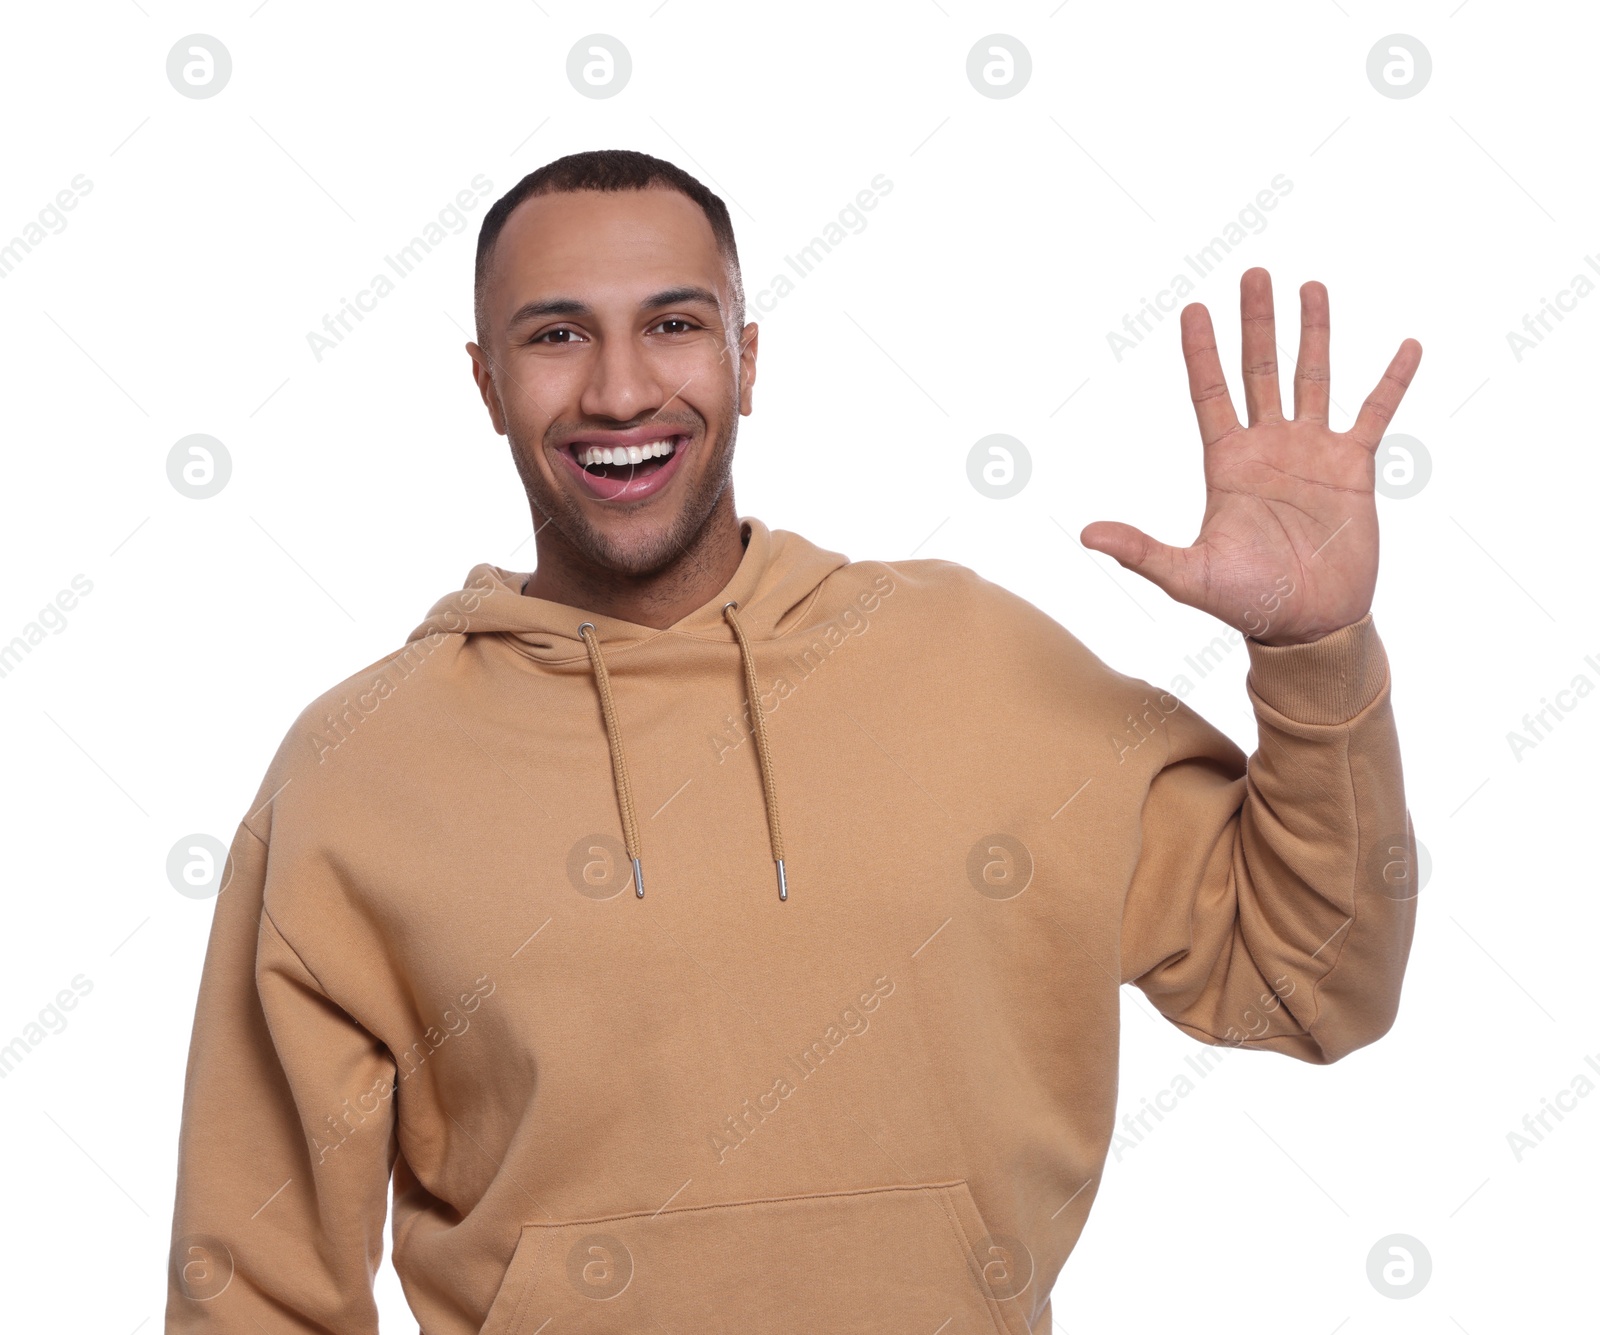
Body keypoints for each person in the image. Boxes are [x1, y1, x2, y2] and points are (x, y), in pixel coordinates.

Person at [165, 149, 1422, 1333]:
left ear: (747, 359)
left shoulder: (977, 663)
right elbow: (256, 1288)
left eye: (674, 323)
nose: (618, 390)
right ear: (487, 383)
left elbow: (1308, 988)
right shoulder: (359, 769)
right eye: (556, 335)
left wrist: (1313, 650)